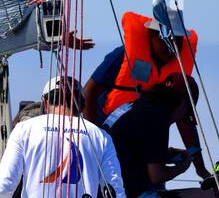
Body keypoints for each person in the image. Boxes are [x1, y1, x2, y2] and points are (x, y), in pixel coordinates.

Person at [83, 11, 205, 170]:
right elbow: (89, 92)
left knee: (153, 184)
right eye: (166, 40)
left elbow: (183, 116)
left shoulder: (178, 73)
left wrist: (200, 168)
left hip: (147, 141)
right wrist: (94, 144)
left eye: (177, 41)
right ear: (151, 35)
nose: (172, 48)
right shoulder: (123, 55)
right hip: (110, 135)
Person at [102, 75, 208, 198]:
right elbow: (157, 176)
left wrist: (166, 154)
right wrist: (182, 167)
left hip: (102, 195)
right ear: (182, 103)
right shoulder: (158, 117)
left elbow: (128, 150)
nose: (179, 120)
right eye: (186, 112)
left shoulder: (135, 106)